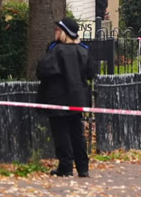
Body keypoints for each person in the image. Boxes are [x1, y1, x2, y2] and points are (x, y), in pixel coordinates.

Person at [36, 17, 96, 178]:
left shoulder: (56, 51)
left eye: (57, 30)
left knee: (61, 133)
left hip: (58, 99)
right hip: (78, 100)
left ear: (63, 33)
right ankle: (83, 167)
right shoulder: (83, 50)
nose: (55, 33)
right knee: (77, 133)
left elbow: (42, 71)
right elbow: (91, 73)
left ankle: (66, 166)